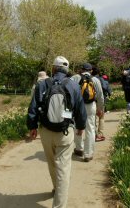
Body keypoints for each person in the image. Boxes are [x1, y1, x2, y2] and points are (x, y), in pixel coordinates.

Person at [27, 56, 86, 208]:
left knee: (52, 163)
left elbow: (33, 107)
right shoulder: (73, 85)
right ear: (67, 70)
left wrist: (32, 127)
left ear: (53, 69)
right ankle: (59, 204)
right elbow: (80, 109)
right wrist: (81, 127)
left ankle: (56, 188)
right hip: (65, 132)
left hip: (46, 131)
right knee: (63, 168)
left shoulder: (42, 84)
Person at [71, 63, 104, 160]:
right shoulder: (95, 80)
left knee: (77, 127)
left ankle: (79, 149)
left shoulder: (74, 78)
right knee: (90, 129)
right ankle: (88, 154)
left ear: (81, 69)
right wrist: (100, 109)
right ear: (91, 70)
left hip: (77, 106)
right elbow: (100, 96)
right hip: (90, 106)